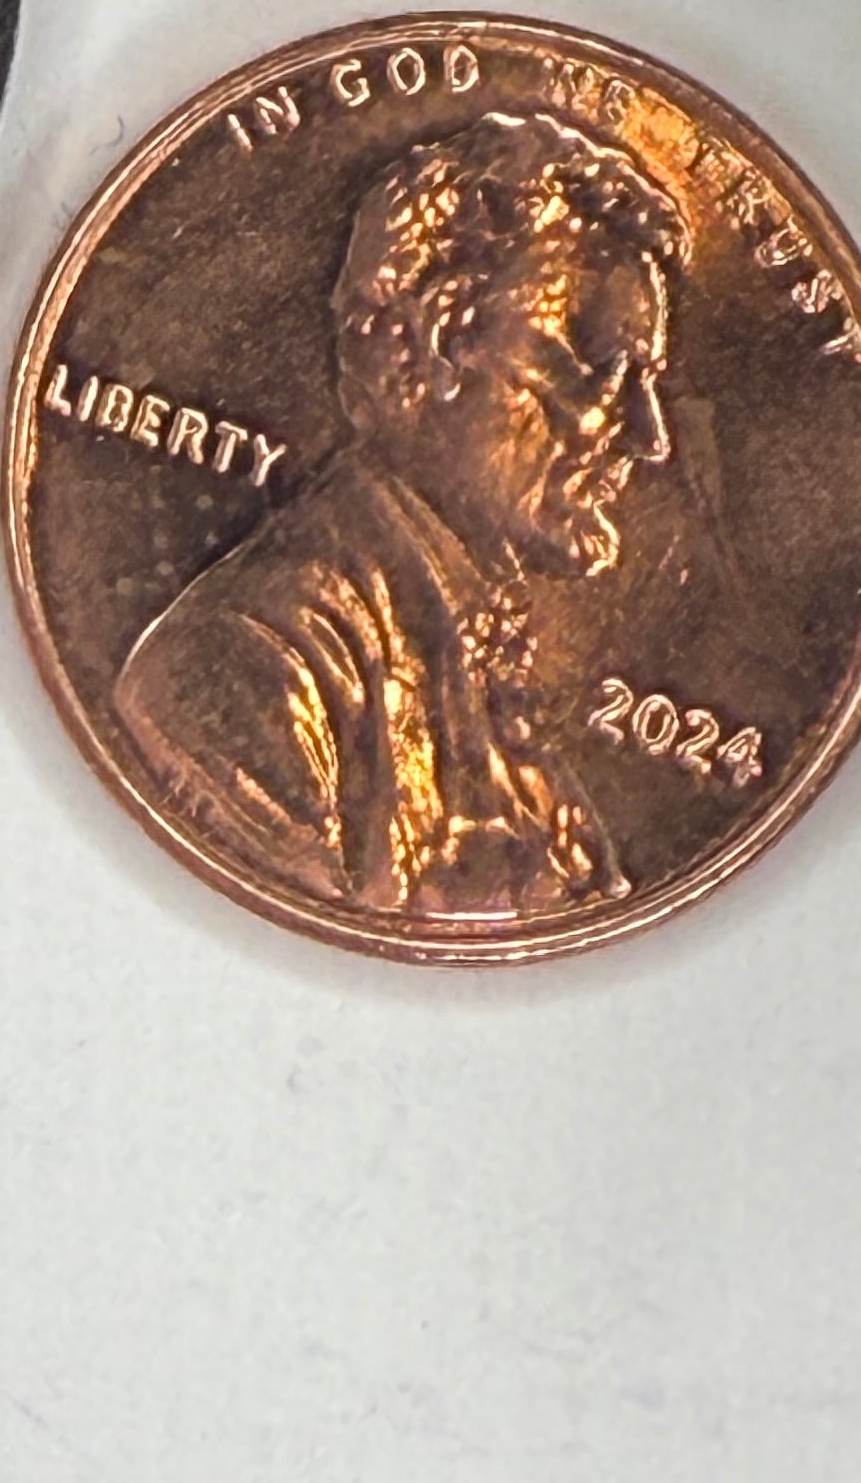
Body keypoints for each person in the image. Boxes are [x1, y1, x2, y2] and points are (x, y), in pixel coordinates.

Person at [112, 108, 686, 920]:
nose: (648, 436)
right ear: (441, 346)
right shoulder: (246, 666)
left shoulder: (486, 666)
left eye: (648, 381)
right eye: (599, 367)